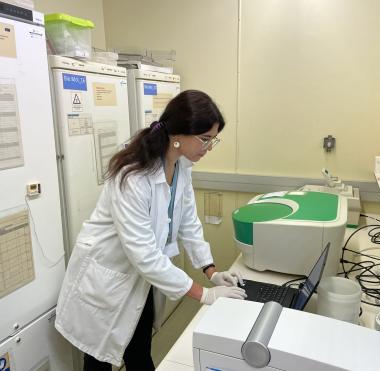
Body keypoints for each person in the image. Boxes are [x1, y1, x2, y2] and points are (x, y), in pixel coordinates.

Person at [54, 90, 247, 370]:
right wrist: (204, 295)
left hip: (140, 280)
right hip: (108, 279)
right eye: (205, 139)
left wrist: (212, 271)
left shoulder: (181, 166)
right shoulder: (133, 176)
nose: (209, 147)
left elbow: (188, 223)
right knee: (98, 360)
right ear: (178, 135)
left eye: (212, 139)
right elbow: (143, 254)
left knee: (139, 352)